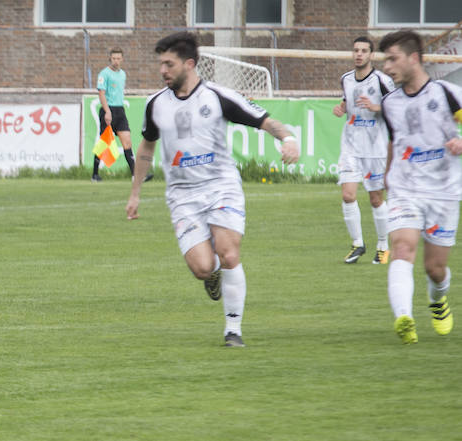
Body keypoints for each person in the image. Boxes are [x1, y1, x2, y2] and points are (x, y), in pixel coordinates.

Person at [125, 32, 299, 347]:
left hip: (221, 186)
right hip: (182, 196)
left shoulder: (218, 97)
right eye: (160, 64)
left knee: (229, 251)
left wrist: (287, 139)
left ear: (189, 64)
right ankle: (214, 273)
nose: (162, 70)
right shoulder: (155, 105)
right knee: (202, 267)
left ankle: (233, 329)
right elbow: (147, 148)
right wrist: (135, 193)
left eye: (169, 63)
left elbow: (265, 120)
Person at [379, 30, 459, 344]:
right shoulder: (389, 103)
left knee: (435, 269)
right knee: (401, 248)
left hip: (443, 192)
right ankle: (404, 317)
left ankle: (438, 301)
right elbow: (394, 141)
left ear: (414, 58)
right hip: (404, 189)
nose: (387, 67)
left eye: (392, 58)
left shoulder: (446, 93)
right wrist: (386, 175)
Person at [332, 36, 395, 264]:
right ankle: (357, 244)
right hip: (350, 146)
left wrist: (376, 107)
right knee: (348, 195)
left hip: (374, 148)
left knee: (376, 199)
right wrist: (340, 108)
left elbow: (397, 107)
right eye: (356, 50)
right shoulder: (346, 79)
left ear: (371, 55)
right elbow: (346, 102)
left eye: (363, 51)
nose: (359, 54)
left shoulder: (382, 80)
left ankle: (383, 246)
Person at [92, 47, 152, 182]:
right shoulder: (104, 74)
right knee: (104, 142)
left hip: (120, 111)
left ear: (122, 59)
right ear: (110, 59)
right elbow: (101, 93)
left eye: (118, 58)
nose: (116, 61)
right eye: (114, 58)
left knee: (127, 141)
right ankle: (95, 174)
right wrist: (107, 111)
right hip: (108, 110)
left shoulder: (123, 74)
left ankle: (135, 175)